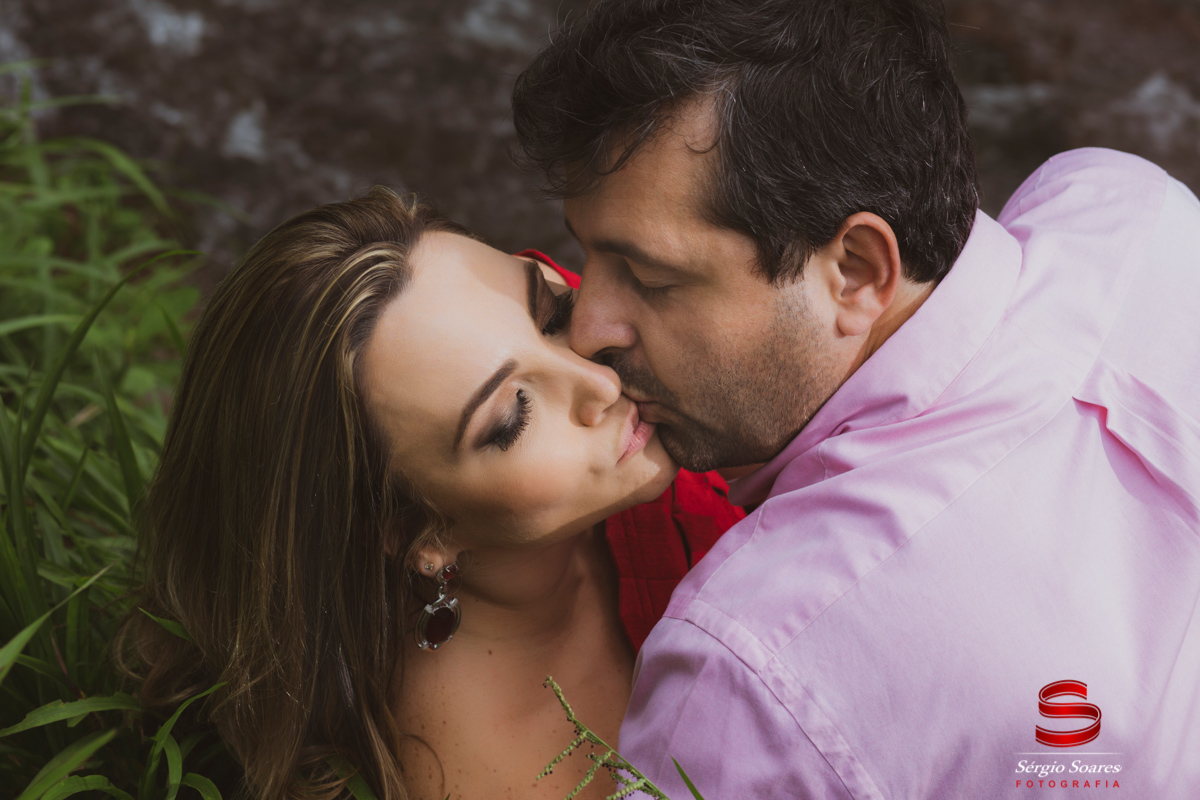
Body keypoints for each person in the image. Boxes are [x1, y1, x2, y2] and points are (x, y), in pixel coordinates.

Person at [511, 0, 1200, 797]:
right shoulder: (1130, 206)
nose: (589, 327)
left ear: (858, 271)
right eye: (587, 253)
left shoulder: (753, 682)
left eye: (650, 278)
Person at [124, 187, 744, 800]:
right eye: (511, 420)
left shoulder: (593, 319)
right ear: (412, 532)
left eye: (553, 315)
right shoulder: (488, 778)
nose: (601, 380)